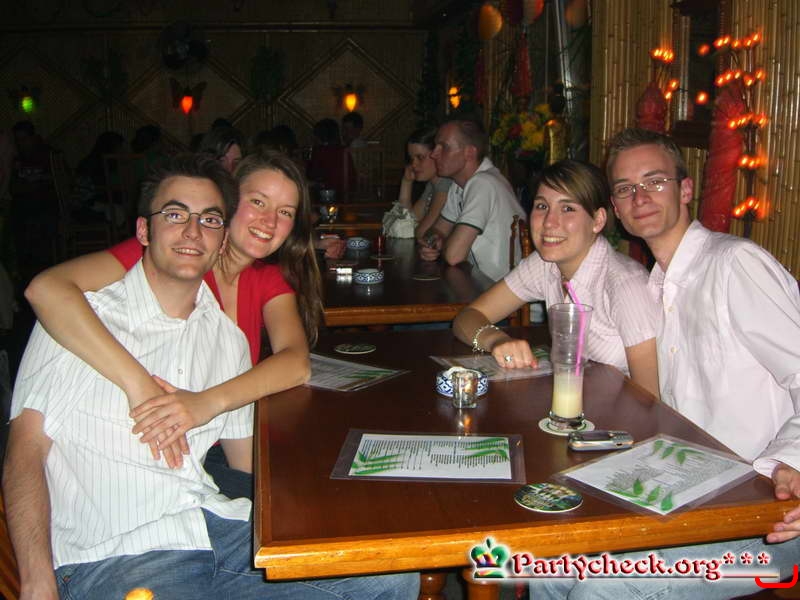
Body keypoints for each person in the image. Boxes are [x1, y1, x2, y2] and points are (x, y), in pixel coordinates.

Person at [4, 153, 417, 600]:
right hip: (119, 553)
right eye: (175, 215)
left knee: (392, 577)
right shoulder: (81, 318)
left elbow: (250, 459)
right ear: (143, 231)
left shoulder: (227, 339)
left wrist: (344, 480)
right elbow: (25, 452)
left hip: (213, 527)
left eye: (208, 220)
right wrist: (37, 581)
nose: (192, 231)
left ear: (221, 237)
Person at [534, 128, 800, 598]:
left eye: (655, 181)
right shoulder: (653, 287)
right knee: (547, 557)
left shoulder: (734, 265)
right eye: (625, 188)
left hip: (764, 510)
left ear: (686, 189)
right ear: (615, 210)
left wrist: (792, 463)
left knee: (600, 591)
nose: (640, 197)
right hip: (684, 484)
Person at [24, 150, 322, 490]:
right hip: (150, 454)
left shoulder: (266, 279)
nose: (269, 221)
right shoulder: (178, 257)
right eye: (258, 201)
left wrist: (205, 404)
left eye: (285, 212)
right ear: (226, 203)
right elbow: (46, 289)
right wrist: (140, 385)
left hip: (224, 443)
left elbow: (296, 361)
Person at [453, 160, 659, 397]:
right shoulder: (545, 264)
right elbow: (467, 318)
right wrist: (496, 340)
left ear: (598, 220)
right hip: (574, 404)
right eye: (542, 206)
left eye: (568, 208)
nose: (549, 222)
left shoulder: (626, 286)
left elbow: (650, 401)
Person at [419, 119, 525, 281]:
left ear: (469, 152)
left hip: (501, 289)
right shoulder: (458, 185)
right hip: (479, 283)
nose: (433, 154)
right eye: (435, 146)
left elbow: (454, 256)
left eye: (444, 147)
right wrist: (433, 241)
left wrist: (442, 243)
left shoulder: (483, 183)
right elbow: (438, 230)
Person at [397, 126, 453, 243]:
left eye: (420, 157)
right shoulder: (432, 185)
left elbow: (422, 233)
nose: (413, 164)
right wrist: (406, 182)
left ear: (437, 154)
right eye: (411, 158)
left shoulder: (446, 184)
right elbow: (406, 222)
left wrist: (415, 228)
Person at [307, 118, 356, 200]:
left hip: (327, 195)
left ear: (318, 135)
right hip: (348, 194)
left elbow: (313, 175)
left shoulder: (319, 151)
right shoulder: (344, 150)